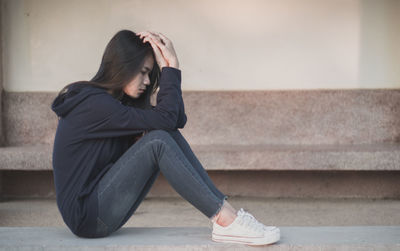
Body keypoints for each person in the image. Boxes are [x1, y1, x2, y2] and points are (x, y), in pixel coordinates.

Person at [50, 29, 280, 246]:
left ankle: (226, 215)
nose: (148, 81)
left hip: (98, 210)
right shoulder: (95, 105)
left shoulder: (113, 104)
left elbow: (175, 120)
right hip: (88, 217)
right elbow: (167, 119)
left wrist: (171, 68)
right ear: (122, 66)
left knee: (162, 135)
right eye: (143, 72)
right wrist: (172, 69)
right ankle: (224, 219)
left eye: (150, 74)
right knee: (157, 140)